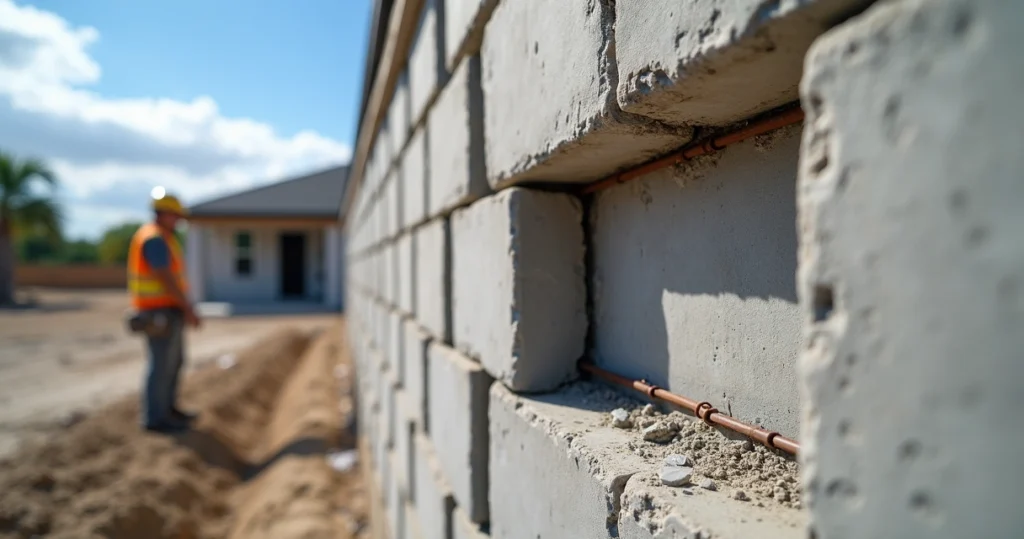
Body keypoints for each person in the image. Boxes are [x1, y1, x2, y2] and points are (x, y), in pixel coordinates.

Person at [127, 186, 202, 433]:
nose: (178, 220)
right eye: (175, 216)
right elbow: (165, 277)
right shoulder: (154, 238)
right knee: (162, 365)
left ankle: (168, 409)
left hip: (168, 311)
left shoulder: (164, 238)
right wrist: (187, 307)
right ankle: (155, 418)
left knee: (174, 362)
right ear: (163, 213)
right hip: (158, 312)